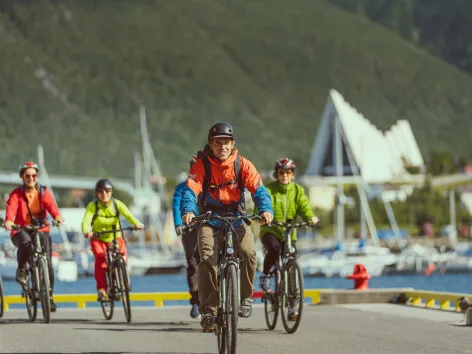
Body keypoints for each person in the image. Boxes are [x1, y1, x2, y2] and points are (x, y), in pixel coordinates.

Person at [181, 122, 273, 333]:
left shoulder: (243, 165)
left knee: (249, 253)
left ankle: (244, 297)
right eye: (218, 143)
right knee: (206, 259)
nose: (222, 147)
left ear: (233, 145)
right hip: (209, 220)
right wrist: (188, 210)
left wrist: (265, 209)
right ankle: (209, 311)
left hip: (237, 219)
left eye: (226, 143)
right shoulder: (201, 166)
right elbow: (190, 190)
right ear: (211, 145)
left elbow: (259, 189)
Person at [258, 158, 319, 320]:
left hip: (289, 232)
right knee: (275, 249)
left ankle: (292, 305)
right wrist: (263, 215)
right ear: (276, 174)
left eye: (288, 172)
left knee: (291, 264)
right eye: (281, 172)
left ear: (292, 175)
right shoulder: (269, 189)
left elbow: (304, 206)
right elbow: (262, 203)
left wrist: (311, 217)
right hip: (270, 230)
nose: (285, 175)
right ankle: (265, 276)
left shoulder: (298, 191)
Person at [4, 161, 64, 312]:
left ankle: (49, 297)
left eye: (34, 175)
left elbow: (51, 206)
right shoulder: (16, 194)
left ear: (37, 176)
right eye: (27, 176)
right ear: (22, 177)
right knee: (26, 243)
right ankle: (22, 271)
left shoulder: (43, 192)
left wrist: (57, 217)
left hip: (40, 228)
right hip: (20, 229)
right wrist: (10, 221)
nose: (31, 178)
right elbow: (11, 208)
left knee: (48, 263)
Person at [81, 178, 144, 301]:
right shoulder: (93, 206)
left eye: (107, 190)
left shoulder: (117, 204)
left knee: (123, 257)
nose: (104, 194)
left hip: (115, 237)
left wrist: (137, 224)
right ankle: (102, 290)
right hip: (98, 239)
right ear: (97, 193)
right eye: (100, 191)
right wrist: (86, 231)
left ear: (111, 192)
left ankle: (123, 280)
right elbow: (86, 221)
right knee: (100, 259)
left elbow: (129, 215)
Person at [172, 154, 201, 319]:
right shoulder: (182, 187)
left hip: (208, 226)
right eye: (193, 165)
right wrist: (178, 224)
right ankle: (196, 301)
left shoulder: (210, 184)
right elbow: (177, 204)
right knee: (193, 264)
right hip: (189, 228)